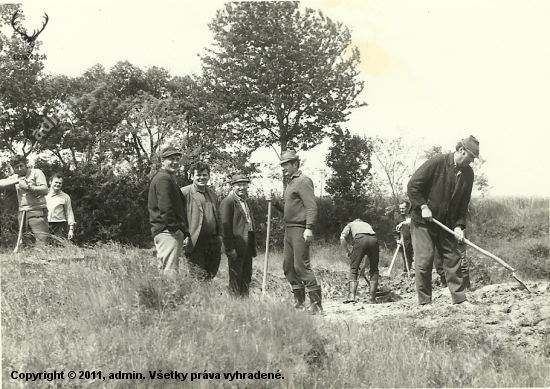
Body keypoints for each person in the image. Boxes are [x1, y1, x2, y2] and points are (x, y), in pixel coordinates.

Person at [407, 135, 479, 306]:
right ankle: (425, 303)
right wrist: (423, 207)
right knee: (424, 260)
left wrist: (459, 226)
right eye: (471, 157)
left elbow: (463, 204)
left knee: (453, 258)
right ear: (462, 150)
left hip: (446, 224)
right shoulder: (438, 162)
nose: (472, 162)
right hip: (423, 222)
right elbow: (413, 186)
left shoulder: (468, 174)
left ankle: (460, 300)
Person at [270, 150, 323, 313]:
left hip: (300, 229)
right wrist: (276, 203)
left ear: (295, 164)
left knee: (301, 267)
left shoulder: (303, 181)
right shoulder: (291, 183)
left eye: (286, 164)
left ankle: (316, 306)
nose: (284, 168)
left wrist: (309, 228)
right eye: (282, 165)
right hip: (289, 229)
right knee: (288, 267)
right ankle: (299, 302)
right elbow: (289, 209)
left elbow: (311, 207)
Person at [148, 146, 190, 277]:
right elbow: (165, 207)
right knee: (170, 272)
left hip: (165, 231)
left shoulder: (166, 178)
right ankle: (171, 297)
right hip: (167, 232)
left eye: (178, 159)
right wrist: (175, 229)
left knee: (165, 270)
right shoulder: (163, 179)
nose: (175, 162)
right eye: (171, 159)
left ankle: (163, 297)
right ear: (163, 161)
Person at [181, 161, 222, 280]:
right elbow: (179, 216)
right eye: (198, 175)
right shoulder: (185, 192)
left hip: (213, 241)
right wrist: (184, 235)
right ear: (192, 176)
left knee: (211, 274)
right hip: (195, 241)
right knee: (197, 275)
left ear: (209, 176)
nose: (202, 178)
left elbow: (218, 216)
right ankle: (198, 297)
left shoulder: (212, 194)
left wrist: (220, 235)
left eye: (205, 175)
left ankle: (207, 297)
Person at [220, 174, 258, 297]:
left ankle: (245, 301)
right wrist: (230, 248)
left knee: (246, 276)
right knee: (235, 276)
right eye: (238, 185)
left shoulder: (246, 202)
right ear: (233, 186)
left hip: (247, 244)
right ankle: (234, 303)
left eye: (244, 184)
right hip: (236, 246)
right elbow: (225, 227)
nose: (242, 187)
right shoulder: (228, 202)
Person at [0, 155, 49, 248]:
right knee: (27, 244)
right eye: (16, 167)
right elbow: (1, 183)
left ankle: (43, 261)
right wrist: (17, 181)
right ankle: (29, 262)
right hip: (23, 212)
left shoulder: (36, 172)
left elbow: (45, 190)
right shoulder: (16, 177)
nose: (19, 169)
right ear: (13, 168)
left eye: (21, 166)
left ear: (26, 164)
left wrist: (29, 187)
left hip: (37, 211)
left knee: (41, 242)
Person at [340, 218, 380, 303]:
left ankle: (351, 296)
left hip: (360, 239)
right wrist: (364, 267)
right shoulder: (367, 225)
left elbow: (342, 238)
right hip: (374, 240)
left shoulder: (351, 224)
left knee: (354, 268)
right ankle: (372, 298)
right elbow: (367, 253)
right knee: (374, 269)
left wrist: (347, 251)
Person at [46, 173, 76, 241]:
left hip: (59, 225)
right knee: (43, 246)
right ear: (50, 182)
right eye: (56, 182)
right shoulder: (42, 195)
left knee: (57, 246)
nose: (58, 184)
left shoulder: (65, 197)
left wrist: (71, 229)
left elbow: (69, 212)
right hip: (44, 223)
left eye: (60, 183)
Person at [395, 200, 414, 273]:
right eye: (400, 208)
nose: (401, 210)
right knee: (406, 256)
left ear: (408, 208)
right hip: (404, 240)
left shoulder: (413, 215)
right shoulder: (398, 218)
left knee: (416, 256)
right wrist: (397, 240)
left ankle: (418, 272)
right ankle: (406, 271)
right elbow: (395, 231)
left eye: (403, 208)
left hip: (415, 239)